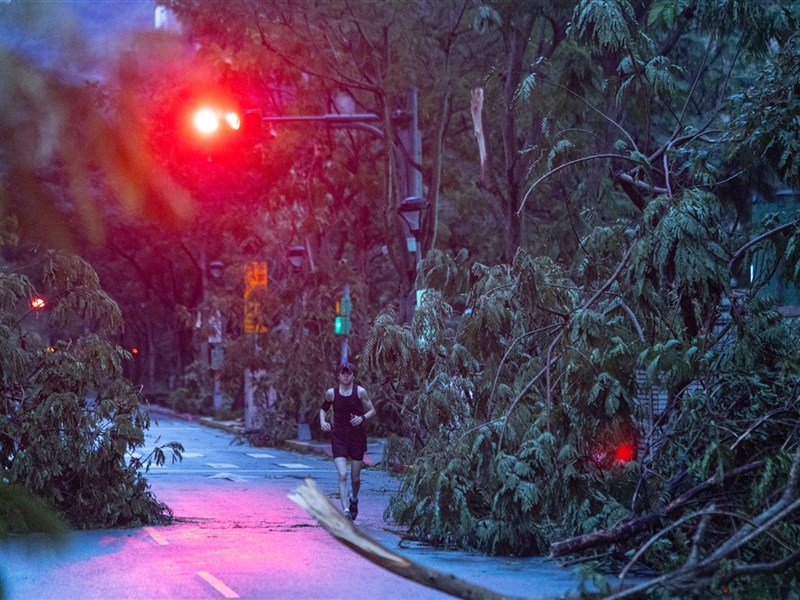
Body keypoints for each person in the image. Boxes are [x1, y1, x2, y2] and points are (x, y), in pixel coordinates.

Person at [319, 361, 376, 521]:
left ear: (353, 375)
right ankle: (345, 510)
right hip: (339, 436)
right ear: (338, 375)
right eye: (343, 373)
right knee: (342, 474)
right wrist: (323, 422)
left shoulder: (360, 392)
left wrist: (362, 418)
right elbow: (323, 409)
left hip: (357, 437)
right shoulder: (331, 393)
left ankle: (354, 500)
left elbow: (372, 410)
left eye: (348, 373)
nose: (345, 375)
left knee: (355, 478)